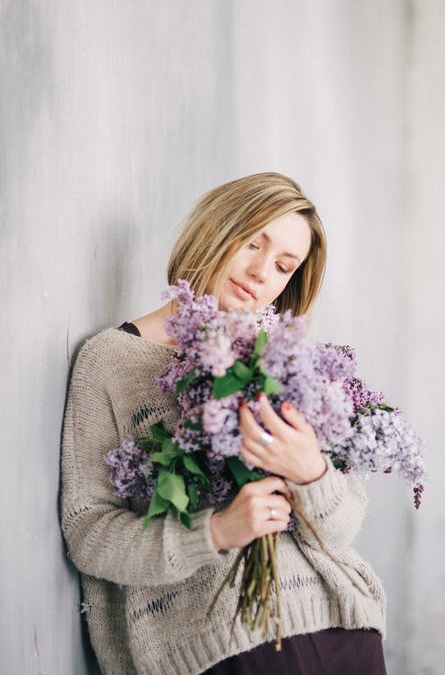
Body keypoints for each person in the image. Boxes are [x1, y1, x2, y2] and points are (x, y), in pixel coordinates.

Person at [61, 172, 387, 675]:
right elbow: (90, 533)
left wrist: (310, 472)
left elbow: (341, 528)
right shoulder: (112, 361)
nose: (261, 272)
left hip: (343, 626)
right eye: (252, 241)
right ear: (215, 229)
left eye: (283, 266)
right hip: (221, 648)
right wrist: (215, 530)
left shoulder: (286, 360)